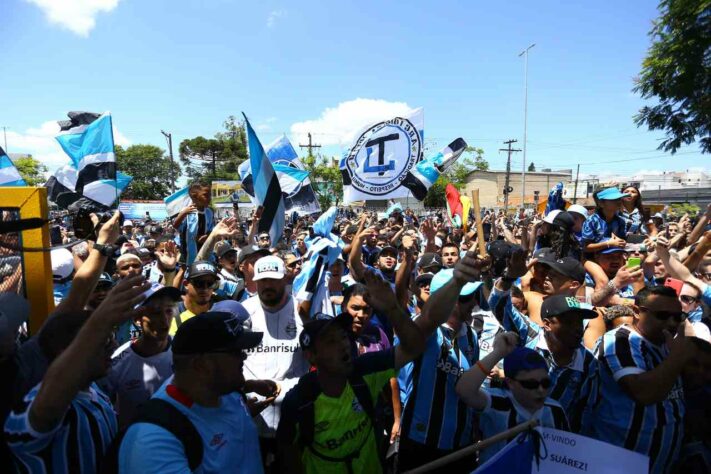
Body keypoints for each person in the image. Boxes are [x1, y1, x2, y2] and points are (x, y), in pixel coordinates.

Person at [276, 253, 490, 473]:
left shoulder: (366, 372)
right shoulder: (300, 401)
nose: (342, 345)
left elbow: (414, 344)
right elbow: (289, 457)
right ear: (311, 356)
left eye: (342, 337)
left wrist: (392, 309)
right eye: (330, 342)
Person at [5, 275, 151, 474]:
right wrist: (99, 322)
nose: (114, 347)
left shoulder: (96, 394)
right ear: (67, 351)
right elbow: (50, 400)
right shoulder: (37, 404)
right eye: (104, 342)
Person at [118, 311, 268, 473]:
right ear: (201, 365)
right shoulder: (154, 440)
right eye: (234, 351)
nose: (244, 356)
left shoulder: (227, 391)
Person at [590, 285, 698, 474]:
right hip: (620, 461)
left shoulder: (668, 344)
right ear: (637, 312)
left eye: (677, 317)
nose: (671, 323)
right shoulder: (619, 341)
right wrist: (678, 357)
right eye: (663, 315)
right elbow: (644, 393)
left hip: (661, 461)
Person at [397, 266, 486, 472]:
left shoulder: (471, 337)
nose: (473, 302)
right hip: (421, 442)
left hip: (460, 446)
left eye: (473, 296)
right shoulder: (423, 331)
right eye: (465, 298)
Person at [242, 255, 310, 471]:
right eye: (262, 280)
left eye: (273, 279)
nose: (267, 286)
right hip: (252, 422)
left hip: (293, 420)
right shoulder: (244, 311)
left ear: (285, 279)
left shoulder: (302, 312)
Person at [455, 340, 570, 463]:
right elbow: (464, 390)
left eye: (546, 383)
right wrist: (498, 353)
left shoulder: (555, 410)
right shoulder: (498, 402)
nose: (541, 390)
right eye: (531, 384)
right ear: (510, 383)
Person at [102, 283, 181, 428]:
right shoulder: (118, 361)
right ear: (138, 318)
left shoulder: (184, 350)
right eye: (156, 313)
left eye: (169, 311)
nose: (164, 320)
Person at [170, 261, 220, 335]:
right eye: (199, 283)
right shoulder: (170, 314)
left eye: (210, 284)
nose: (205, 289)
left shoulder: (221, 311)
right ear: (186, 284)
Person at [173, 181, 215, 266]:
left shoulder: (209, 212)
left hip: (204, 250)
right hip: (188, 253)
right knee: (186, 272)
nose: (209, 198)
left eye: (210, 195)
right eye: (206, 195)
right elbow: (176, 226)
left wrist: (206, 236)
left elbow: (211, 229)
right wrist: (183, 214)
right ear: (194, 196)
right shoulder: (187, 212)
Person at [581, 187, 629, 253]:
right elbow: (586, 247)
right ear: (601, 203)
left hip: (615, 256)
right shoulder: (592, 221)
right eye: (614, 199)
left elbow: (622, 240)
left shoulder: (621, 221)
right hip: (594, 257)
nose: (619, 202)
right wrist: (608, 244)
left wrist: (622, 242)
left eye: (619, 199)